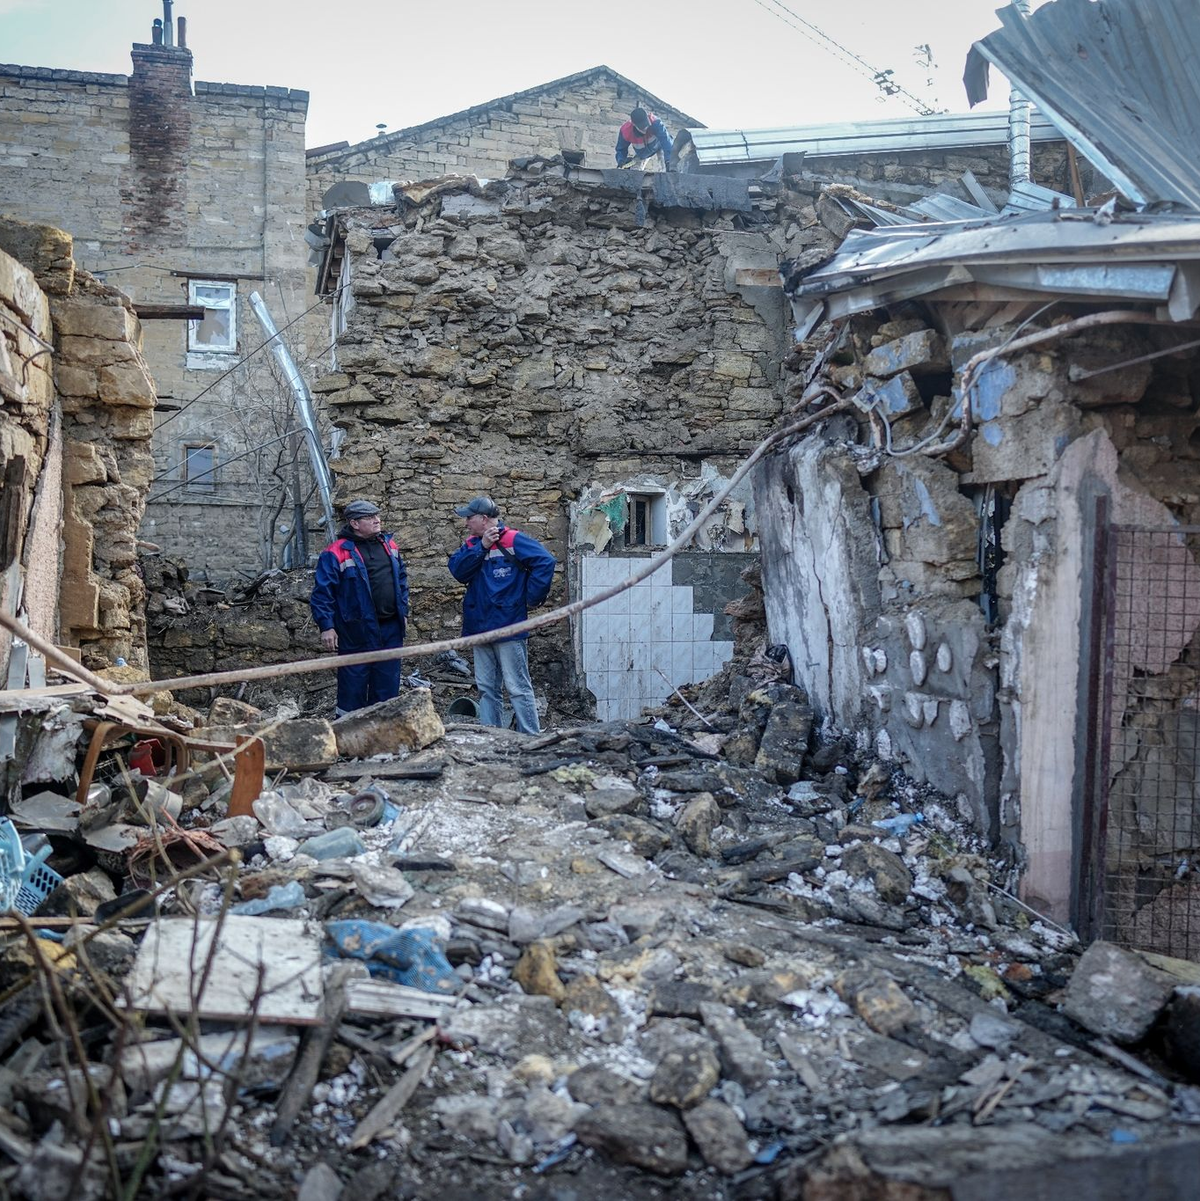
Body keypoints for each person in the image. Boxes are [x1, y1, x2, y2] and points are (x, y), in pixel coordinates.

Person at [447, 496, 556, 735]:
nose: (466, 523)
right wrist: (482, 547)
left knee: (517, 686)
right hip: (479, 626)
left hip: (508, 625)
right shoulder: (473, 544)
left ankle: (530, 737)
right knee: (486, 687)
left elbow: (545, 562)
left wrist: (530, 598)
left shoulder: (512, 539)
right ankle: (491, 736)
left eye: (469, 518)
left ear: (483, 519)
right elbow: (458, 571)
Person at [310, 499, 409, 716]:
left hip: (390, 629)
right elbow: (322, 594)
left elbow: (401, 579)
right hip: (355, 631)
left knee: (387, 686)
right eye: (370, 517)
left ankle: (383, 735)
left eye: (377, 515)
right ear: (354, 523)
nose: (377, 520)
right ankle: (347, 739)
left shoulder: (389, 546)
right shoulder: (336, 552)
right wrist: (327, 626)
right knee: (352, 687)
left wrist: (403, 610)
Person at [615, 106, 674, 171]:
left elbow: (666, 141)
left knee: (668, 168)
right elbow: (621, 149)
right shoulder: (626, 131)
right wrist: (621, 160)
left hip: (660, 146)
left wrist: (669, 161)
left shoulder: (656, 122)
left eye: (647, 125)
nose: (646, 128)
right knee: (634, 172)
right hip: (642, 154)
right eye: (642, 127)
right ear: (634, 125)